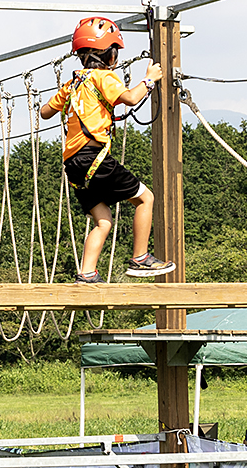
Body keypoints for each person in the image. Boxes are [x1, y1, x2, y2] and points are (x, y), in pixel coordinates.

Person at [39, 16, 177, 282]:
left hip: (74, 165)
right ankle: (140, 259)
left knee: (103, 221)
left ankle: (87, 273)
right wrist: (149, 79)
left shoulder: (72, 84)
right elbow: (131, 98)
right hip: (95, 158)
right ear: (109, 54)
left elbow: (45, 112)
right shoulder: (105, 77)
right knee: (145, 198)